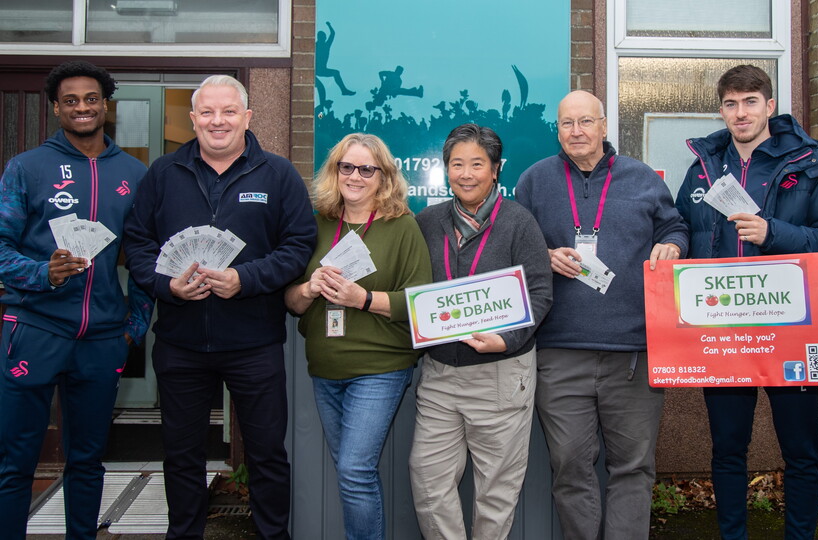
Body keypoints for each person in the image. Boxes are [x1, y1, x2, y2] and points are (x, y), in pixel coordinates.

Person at [123, 75, 316, 540]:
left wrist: (244, 279)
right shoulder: (164, 174)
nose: (217, 121)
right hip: (180, 343)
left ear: (247, 117)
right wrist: (167, 286)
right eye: (206, 112)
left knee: (268, 453)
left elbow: (299, 244)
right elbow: (137, 242)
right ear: (193, 119)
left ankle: (273, 536)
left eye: (228, 111)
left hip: (254, 343)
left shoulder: (277, 174)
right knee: (181, 453)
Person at [676, 65, 818, 539]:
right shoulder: (704, 167)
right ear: (721, 109)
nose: (741, 113)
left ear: (770, 106)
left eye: (751, 101)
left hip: (792, 331)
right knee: (728, 450)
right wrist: (671, 244)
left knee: (801, 451)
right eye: (731, 104)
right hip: (724, 334)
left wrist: (774, 233)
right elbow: (679, 226)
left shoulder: (812, 163)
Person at [515, 90, 687, 539]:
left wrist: (674, 244)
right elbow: (513, 246)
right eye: (567, 123)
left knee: (633, 467)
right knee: (569, 468)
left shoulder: (642, 178)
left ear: (604, 126)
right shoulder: (533, 181)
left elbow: (674, 224)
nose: (577, 131)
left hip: (632, 353)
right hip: (559, 351)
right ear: (557, 130)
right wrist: (544, 255)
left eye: (586, 122)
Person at [0, 60, 153, 539]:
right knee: (16, 459)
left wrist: (135, 324)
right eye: (71, 100)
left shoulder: (134, 172)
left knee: (87, 459)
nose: (82, 107)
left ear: (105, 105)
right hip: (35, 329)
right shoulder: (27, 167)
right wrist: (41, 273)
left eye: (91, 98)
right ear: (56, 108)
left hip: (102, 337)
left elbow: (145, 256)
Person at [285, 133, 431, 539]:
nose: (355, 176)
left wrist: (362, 298)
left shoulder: (402, 227)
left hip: (380, 367)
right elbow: (292, 303)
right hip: (326, 368)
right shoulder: (317, 224)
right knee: (351, 470)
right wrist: (310, 288)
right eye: (346, 167)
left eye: (367, 169)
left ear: (383, 176)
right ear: (334, 172)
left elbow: (418, 302)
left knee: (353, 469)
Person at [410, 123, 552, 540]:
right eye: (457, 164)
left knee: (496, 494)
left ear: (495, 170)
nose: (466, 174)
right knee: (427, 480)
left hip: (500, 374)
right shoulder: (429, 221)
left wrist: (506, 339)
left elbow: (541, 293)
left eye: (477, 164)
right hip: (439, 376)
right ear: (446, 170)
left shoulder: (519, 222)